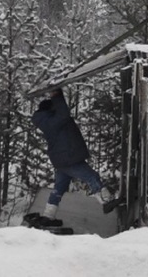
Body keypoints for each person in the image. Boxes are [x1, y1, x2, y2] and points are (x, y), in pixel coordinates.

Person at [31, 88, 118, 225]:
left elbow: (62, 113)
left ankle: (48, 216)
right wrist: (57, 96)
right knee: (92, 176)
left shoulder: (48, 121)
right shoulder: (53, 120)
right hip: (68, 158)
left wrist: (58, 98)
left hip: (62, 159)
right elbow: (64, 114)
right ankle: (106, 201)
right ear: (50, 109)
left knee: (58, 189)